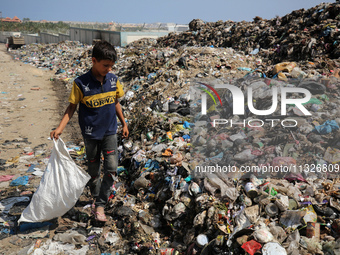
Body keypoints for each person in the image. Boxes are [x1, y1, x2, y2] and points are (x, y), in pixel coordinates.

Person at [50, 40, 128, 222]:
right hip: (90, 133)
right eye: (105, 65)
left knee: (111, 169)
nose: (108, 69)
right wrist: (60, 128)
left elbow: (116, 102)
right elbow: (71, 108)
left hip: (110, 131)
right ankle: (95, 197)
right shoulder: (80, 83)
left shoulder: (114, 80)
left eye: (111, 66)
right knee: (93, 170)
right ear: (93, 60)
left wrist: (124, 123)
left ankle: (100, 205)